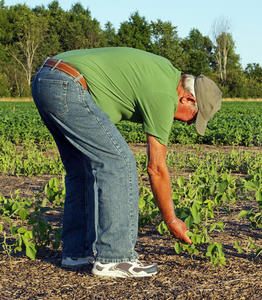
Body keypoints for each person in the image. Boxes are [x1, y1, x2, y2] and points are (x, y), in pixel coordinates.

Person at [31, 47, 222, 278]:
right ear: (188, 98)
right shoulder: (165, 95)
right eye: (193, 118)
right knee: (119, 162)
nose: (187, 124)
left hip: (47, 78)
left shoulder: (164, 72)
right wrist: (171, 219)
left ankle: (77, 253)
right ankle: (115, 258)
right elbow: (156, 168)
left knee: (81, 170)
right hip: (69, 83)